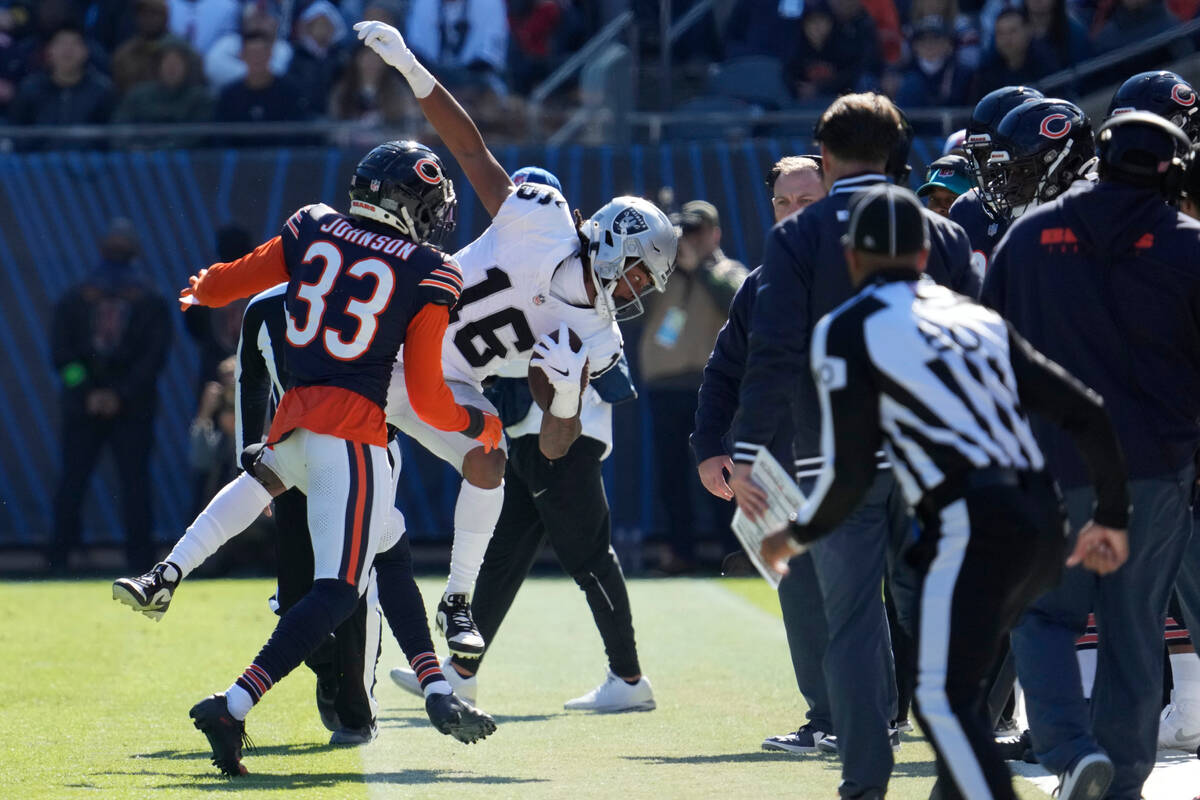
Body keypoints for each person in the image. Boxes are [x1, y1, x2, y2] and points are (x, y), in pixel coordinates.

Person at [114, 139, 501, 776]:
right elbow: (430, 398)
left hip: (293, 419)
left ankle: (167, 574)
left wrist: (201, 289)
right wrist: (476, 425)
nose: (435, 215)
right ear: (406, 202)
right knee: (341, 591)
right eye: (428, 201)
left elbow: (227, 285)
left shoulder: (313, 223)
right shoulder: (431, 269)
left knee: (288, 498)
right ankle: (233, 704)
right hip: (351, 436)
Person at [759, 182, 1130, 800]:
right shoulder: (978, 318)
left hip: (970, 521)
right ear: (926, 254)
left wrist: (796, 533)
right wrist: (1112, 516)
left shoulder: (846, 327)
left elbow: (850, 471)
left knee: (938, 701)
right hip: (1043, 519)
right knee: (956, 692)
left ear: (852, 257)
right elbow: (1088, 413)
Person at [356, 18, 678, 659]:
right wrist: (412, 69)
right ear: (617, 242)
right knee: (304, 467)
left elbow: (557, 448)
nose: (640, 288)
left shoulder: (597, 334)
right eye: (642, 271)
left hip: (445, 381)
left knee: (491, 455)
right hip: (389, 347)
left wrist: (563, 399)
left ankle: (457, 600)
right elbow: (471, 151)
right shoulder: (540, 217)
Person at [729, 92, 977, 800]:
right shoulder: (943, 232)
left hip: (833, 458)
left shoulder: (798, 237)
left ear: (826, 156)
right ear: (897, 153)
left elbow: (773, 350)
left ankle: (865, 783)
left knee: (853, 625)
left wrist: (745, 445)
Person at [983, 111, 1200, 800]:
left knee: (1043, 616)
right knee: (1136, 628)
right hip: (1155, 469)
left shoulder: (1026, 239)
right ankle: (1122, 784)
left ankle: (1072, 753)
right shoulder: (1189, 245)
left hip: (1053, 464)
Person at [390, 166, 655, 713]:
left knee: (587, 556)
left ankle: (629, 679)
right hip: (532, 435)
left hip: (561, 437)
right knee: (505, 552)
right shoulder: (542, 267)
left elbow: (602, 377)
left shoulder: (581, 299)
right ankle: (460, 671)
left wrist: (558, 377)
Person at [690, 155, 842, 752]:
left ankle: (887, 710)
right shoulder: (762, 282)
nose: (795, 212)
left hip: (867, 460)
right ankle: (830, 716)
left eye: (809, 200)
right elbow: (723, 372)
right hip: (783, 466)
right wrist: (708, 448)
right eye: (784, 202)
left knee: (885, 588)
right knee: (803, 590)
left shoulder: (868, 270)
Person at [49, 219, 171, 573]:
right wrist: (120, 394)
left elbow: (62, 358)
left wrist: (85, 390)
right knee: (134, 484)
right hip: (131, 407)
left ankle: (58, 559)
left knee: (74, 479)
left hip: (86, 406)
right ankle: (141, 563)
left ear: (101, 250)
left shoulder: (75, 295)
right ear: (136, 252)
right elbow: (153, 360)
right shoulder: (151, 297)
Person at [639, 199, 747, 573]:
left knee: (722, 470)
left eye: (698, 231)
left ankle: (733, 552)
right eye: (685, 231)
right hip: (665, 386)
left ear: (715, 234)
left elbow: (736, 301)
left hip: (712, 390)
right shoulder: (663, 274)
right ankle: (679, 551)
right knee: (671, 476)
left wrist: (699, 268)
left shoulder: (729, 271)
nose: (691, 238)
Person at [950, 84, 1043, 274]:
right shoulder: (966, 210)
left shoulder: (1071, 208)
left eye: (994, 154)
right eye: (981, 155)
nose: (988, 166)